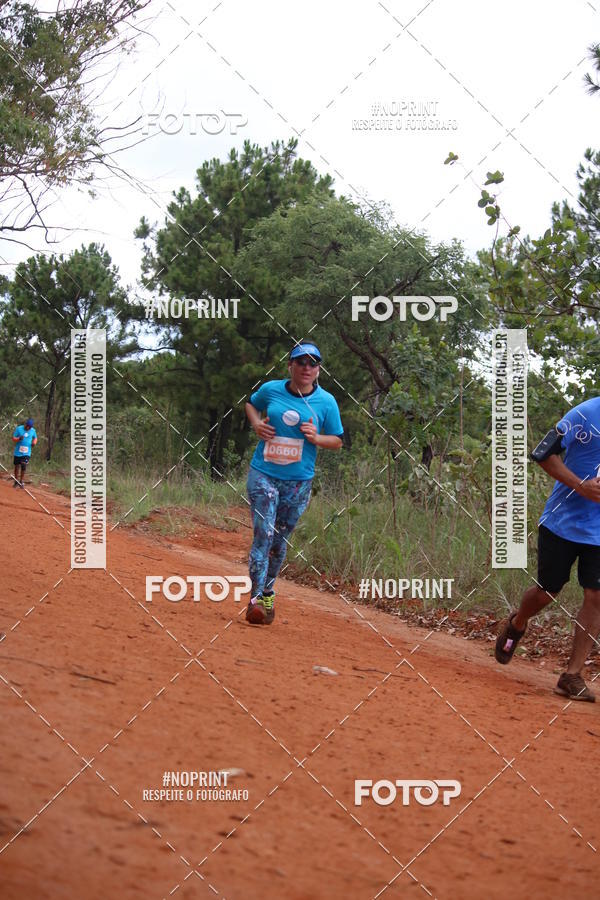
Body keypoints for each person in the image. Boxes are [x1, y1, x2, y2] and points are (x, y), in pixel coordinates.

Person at [495, 397, 600, 701]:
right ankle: (517, 623)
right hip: (561, 523)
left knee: (596, 595)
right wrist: (581, 485)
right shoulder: (584, 414)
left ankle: (572, 675)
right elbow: (542, 453)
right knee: (548, 591)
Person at [243, 343, 344, 625]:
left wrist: (316, 438)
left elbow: (336, 441)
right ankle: (254, 601)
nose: (306, 368)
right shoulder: (272, 389)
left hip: (298, 483)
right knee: (263, 534)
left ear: (319, 370)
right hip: (263, 474)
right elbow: (251, 403)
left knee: (278, 542)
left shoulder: (327, 402)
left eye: (313, 364)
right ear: (290, 365)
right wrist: (256, 424)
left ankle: (268, 592)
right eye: (301, 363)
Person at [12, 418, 37, 489]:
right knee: (17, 466)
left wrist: (34, 443)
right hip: (18, 452)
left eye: (30, 427)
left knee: (23, 465)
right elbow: (13, 438)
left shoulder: (33, 431)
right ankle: (16, 481)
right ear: (25, 424)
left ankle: (21, 481)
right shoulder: (19, 429)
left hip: (26, 452)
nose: (28, 428)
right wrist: (19, 439)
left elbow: (35, 438)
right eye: (27, 426)